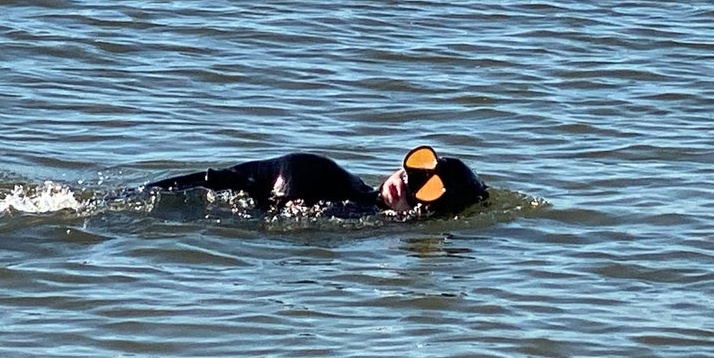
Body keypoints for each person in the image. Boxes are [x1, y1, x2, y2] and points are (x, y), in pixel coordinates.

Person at [145, 145, 488, 217]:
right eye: (413, 168)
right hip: (187, 200)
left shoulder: (360, 217)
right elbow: (217, 182)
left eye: (424, 189)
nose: (405, 181)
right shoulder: (327, 178)